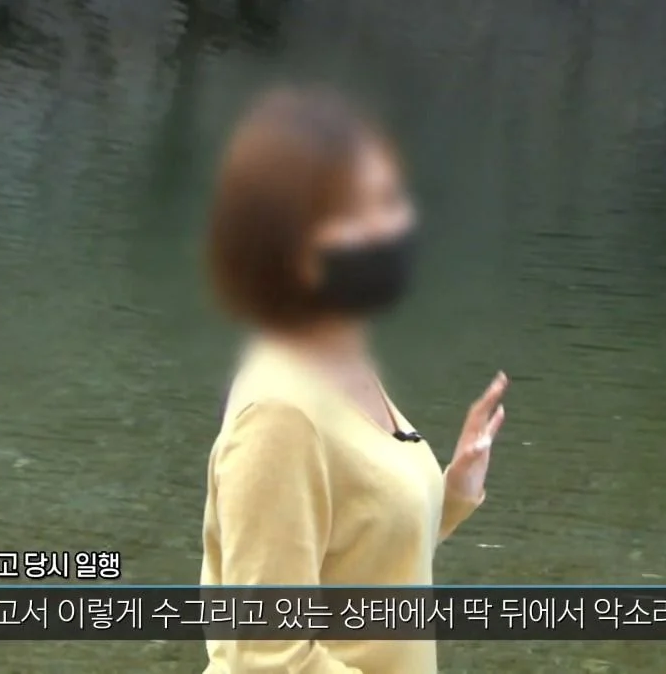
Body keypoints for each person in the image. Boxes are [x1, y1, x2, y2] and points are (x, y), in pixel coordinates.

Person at [199, 86, 510, 674]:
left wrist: (451, 494)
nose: (396, 229)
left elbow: (358, 559)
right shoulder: (279, 414)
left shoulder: (342, 364)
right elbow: (268, 658)